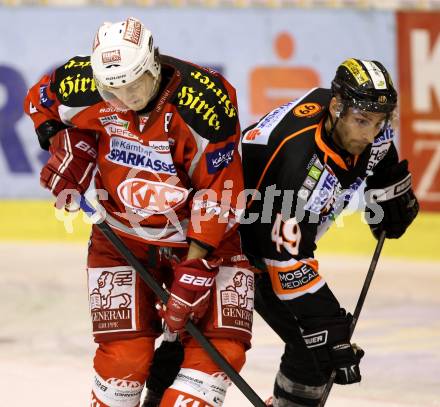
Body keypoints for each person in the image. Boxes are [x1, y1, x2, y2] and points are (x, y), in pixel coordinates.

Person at [24, 17, 255, 407]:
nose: (125, 98)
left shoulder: (204, 104)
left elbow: (220, 191)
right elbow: (39, 104)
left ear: (153, 64)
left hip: (201, 243)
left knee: (222, 350)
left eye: (134, 85)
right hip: (120, 241)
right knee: (124, 363)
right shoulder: (79, 82)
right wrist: (68, 147)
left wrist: (196, 268)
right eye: (112, 89)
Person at [239, 58, 419, 406]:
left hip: (276, 228)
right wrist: (327, 325)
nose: (369, 134)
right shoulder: (299, 168)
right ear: (336, 108)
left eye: (380, 122)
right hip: (238, 243)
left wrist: (389, 185)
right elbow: (285, 262)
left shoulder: (361, 122)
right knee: (314, 346)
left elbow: (379, 152)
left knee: (315, 350)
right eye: (362, 122)